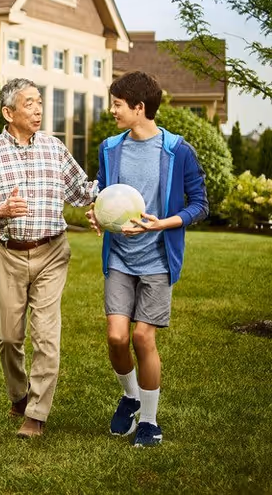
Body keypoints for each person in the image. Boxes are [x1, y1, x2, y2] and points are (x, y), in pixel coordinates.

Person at [0, 78, 97, 438]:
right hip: (9, 254)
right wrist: (1, 208)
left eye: (40, 102)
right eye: (29, 103)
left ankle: (37, 414)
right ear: (8, 112)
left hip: (52, 252)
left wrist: (113, 193)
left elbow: (82, 190)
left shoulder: (54, 149)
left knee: (46, 336)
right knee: (9, 337)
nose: (39, 109)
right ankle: (18, 393)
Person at [88, 71, 208, 447]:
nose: (112, 111)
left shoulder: (177, 150)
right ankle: (130, 396)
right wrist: (97, 212)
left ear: (140, 108)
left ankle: (150, 422)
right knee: (116, 337)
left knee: (143, 337)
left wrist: (161, 225)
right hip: (121, 259)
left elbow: (200, 205)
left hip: (157, 258)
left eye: (118, 105)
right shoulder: (110, 147)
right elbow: (103, 190)